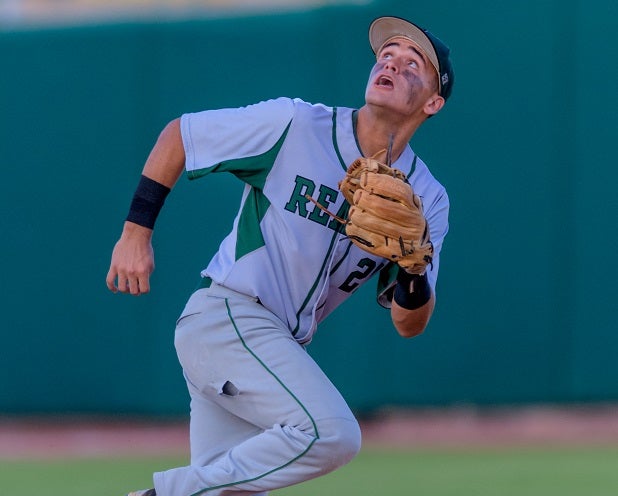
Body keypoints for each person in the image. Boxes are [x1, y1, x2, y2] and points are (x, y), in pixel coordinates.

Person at [106, 15, 454, 496]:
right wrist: (135, 233)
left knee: (230, 489)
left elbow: (407, 323)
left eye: (412, 64)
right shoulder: (296, 124)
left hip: (273, 347)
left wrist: (415, 268)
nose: (391, 64)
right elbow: (181, 135)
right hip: (229, 316)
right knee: (332, 433)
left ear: (434, 102)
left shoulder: (427, 199)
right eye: (386, 56)